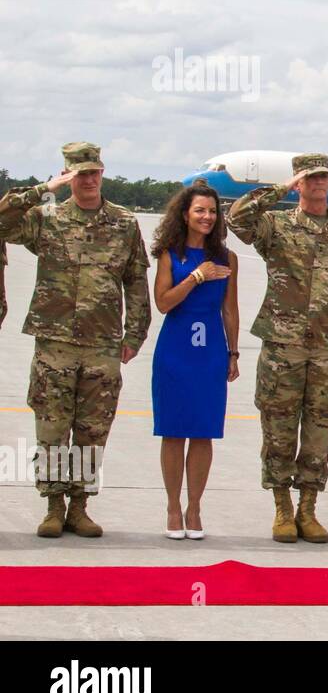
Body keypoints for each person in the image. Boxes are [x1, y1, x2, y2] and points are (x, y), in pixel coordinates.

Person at [0, 142, 151, 537]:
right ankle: (53, 506)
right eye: (79, 173)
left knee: (91, 430)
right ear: (66, 176)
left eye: (93, 172)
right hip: (54, 342)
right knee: (52, 429)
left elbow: (136, 281)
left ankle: (79, 506)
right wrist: (42, 190)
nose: (88, 180)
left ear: (102, 173)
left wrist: (136, 332)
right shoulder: (46, 218)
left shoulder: (123, 222)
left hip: (102, 344)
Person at [228, 153, 328, 544]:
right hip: (283, 347)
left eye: (323, 176)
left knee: (319, 435)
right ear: (299, 182)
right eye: (310, 177)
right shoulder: (276, 225)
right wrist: (280, 190)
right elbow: (237, 219)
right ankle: (282, 509)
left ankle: (308, 509)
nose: (319, 182)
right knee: (278, 432)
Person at [151, 182, 239, 540]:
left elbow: (230, 309)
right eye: (200, 210)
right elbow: (164, 302)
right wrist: (196, 276)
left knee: (204, 432)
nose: (207, 217)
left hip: (210, 353)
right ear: (185, 214)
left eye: (212, 211)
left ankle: (195, 506)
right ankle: (173, 507)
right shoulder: (169, 254)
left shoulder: (227, 258)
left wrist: (233, 352)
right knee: (173, 432)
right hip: (175, 351)